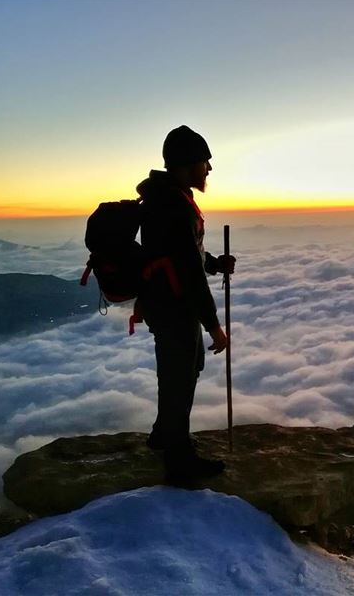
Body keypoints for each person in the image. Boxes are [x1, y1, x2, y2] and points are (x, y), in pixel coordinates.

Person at [135, 125, 235, 482]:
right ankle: (179, 460)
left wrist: (215, 264)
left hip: (165, 302)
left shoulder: (166, 199)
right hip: (176, 305)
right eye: (204, 162)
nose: (208, 169)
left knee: (182, 367)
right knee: (180, 373)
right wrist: (214, 326)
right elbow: (189, 272)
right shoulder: (175, 205)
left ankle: (165, 434)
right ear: (186, 164)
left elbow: (185, 256)